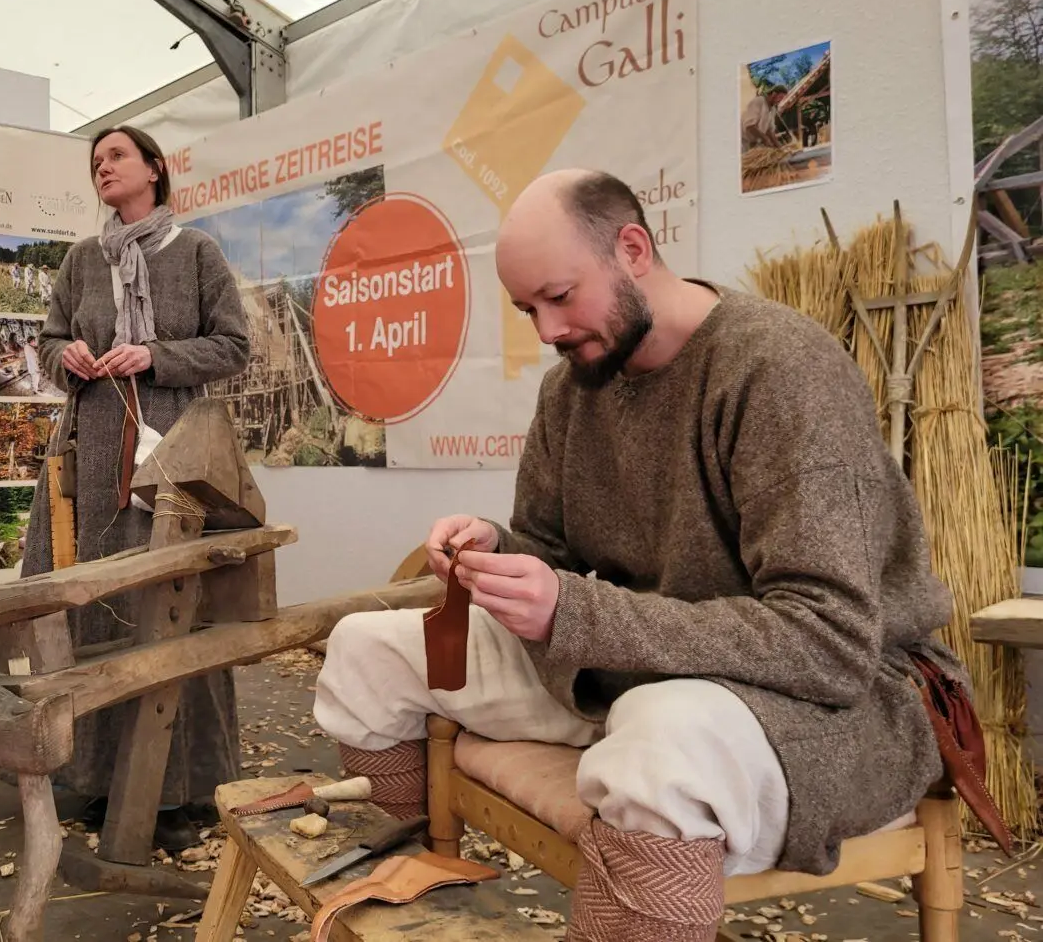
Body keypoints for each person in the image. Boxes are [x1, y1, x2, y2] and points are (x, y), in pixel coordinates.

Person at [313, 169, 960, 940]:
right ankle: (411, 903)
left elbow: (830, 642)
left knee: (658, 741)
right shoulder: (574, 388)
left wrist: (575, 609)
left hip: (831, 702)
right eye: (528, 309)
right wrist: (498, 551)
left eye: (560, 296)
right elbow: (553, 553)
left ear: (632, 248)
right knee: (368, 652)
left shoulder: (781, 372)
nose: (547, 330)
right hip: (639, 670)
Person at [20, 125, 250, 851]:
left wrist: (153, 354)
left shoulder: (197, 251)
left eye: (116, 156)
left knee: (174, 606)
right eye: (95, 162)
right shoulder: (84, 259)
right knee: (100, 603)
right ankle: (100, 779)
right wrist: (72, 357)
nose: (103, 168)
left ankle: (182, 790)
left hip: (177, 452)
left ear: (155, 168)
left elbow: (234, 346)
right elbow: (50, 340)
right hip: (93, 455)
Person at [741, 83, 788, 150]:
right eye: (780, 97)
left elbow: (768, 130)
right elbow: (749, 126)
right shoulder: (759, 101)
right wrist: (765, 139)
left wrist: (779, 146)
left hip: (754, 144)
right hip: (743, 142)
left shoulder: (773, 109)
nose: (780, 100)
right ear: (774, 94)